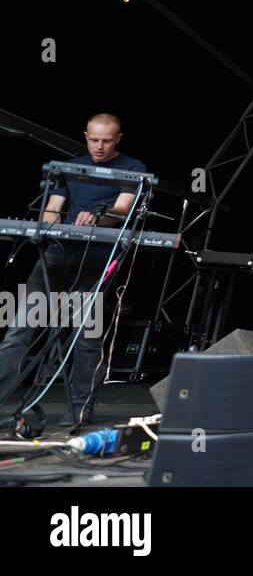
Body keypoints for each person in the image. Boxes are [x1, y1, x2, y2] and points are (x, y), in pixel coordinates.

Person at [0, 113, 147, 427]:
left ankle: (80, 408)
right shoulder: (69, 167)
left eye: (106, 140)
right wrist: (51, 226)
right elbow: (53, 207)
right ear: (85, 136)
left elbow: (122, 209)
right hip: (55, 257)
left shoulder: (132, 169)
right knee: (19, 331)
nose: (99, 146)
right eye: (93, 139)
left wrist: (98, 216)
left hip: (95, 261)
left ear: (118, 138)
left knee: (86, 339)